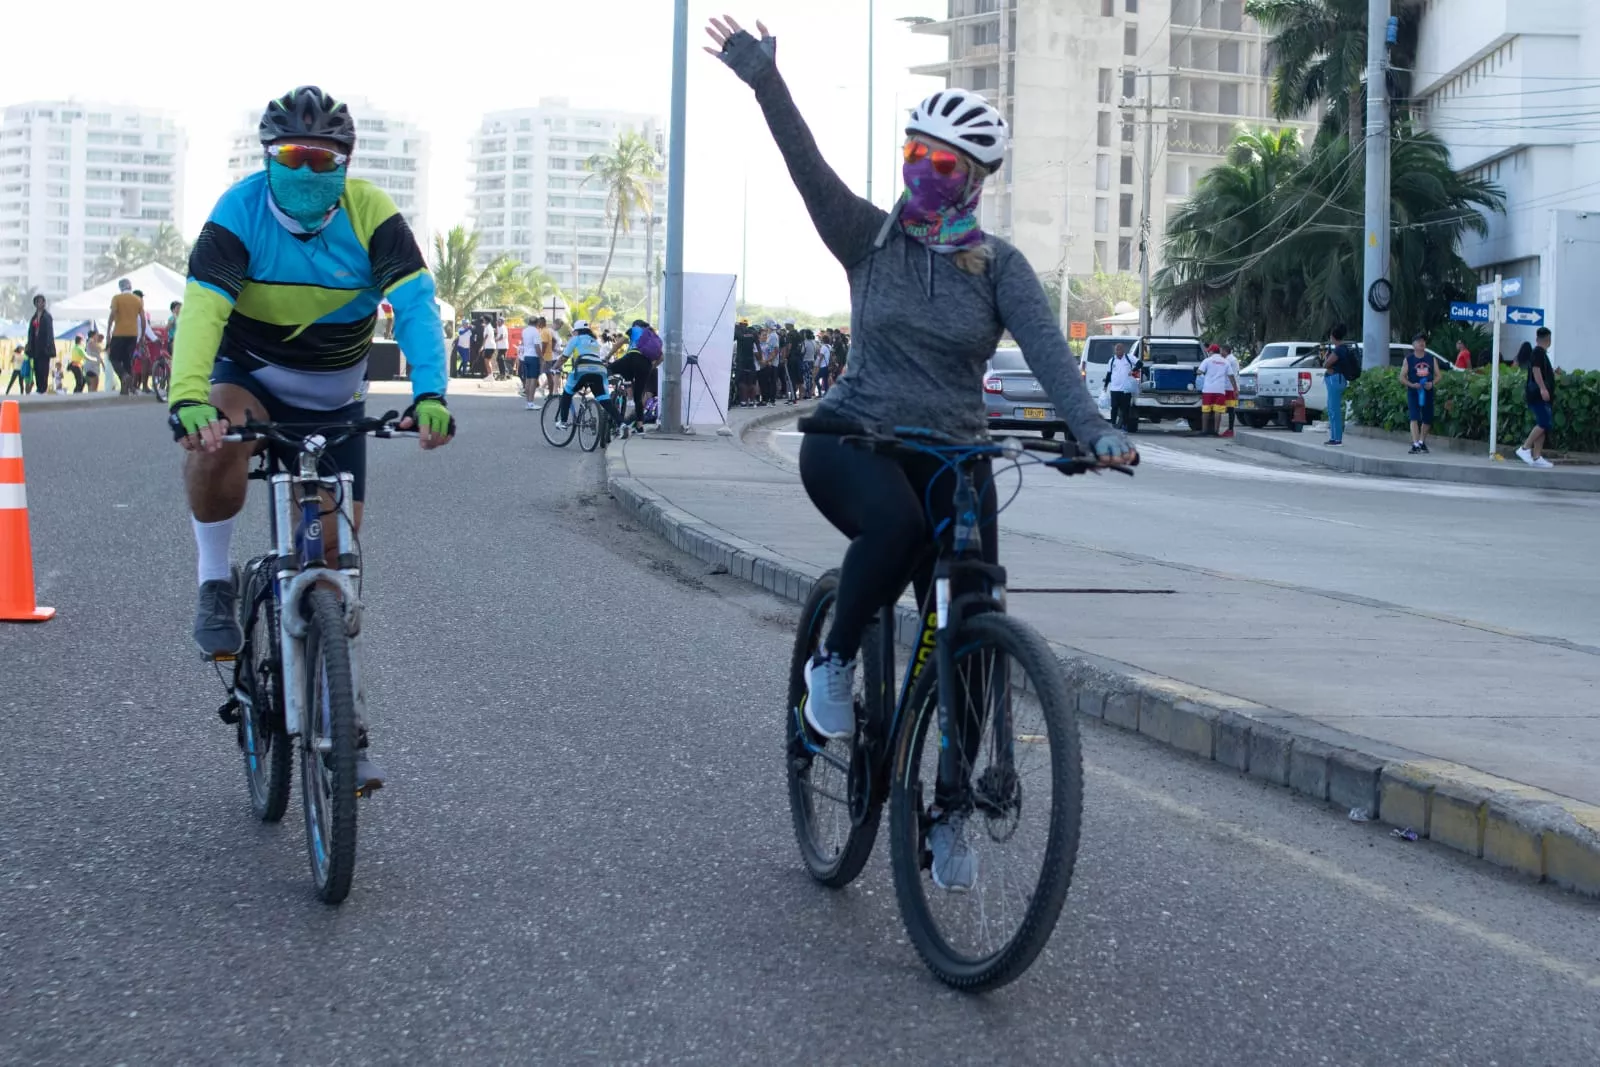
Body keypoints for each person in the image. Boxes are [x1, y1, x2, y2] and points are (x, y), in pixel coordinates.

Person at [707, 17, 1133, 891]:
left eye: (943, 166)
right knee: (896, 527)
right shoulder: (869, 239)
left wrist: (1092, 429)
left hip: (955, 455)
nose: (921, 174)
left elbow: (1052, 352)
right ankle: (832, 661)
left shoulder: (998, 267)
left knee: (973, 624)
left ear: (974, 183)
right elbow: (807, 168)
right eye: (914, 153)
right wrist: (766, 82)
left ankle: (947, 810)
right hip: (853, 441)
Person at [167, 85, 454, 793]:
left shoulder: (373, 216)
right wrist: (188, 397)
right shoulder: (237, 214)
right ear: (268, 158)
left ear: (344, 164)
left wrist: (431, 393)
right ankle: (213, 580)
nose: (305, 169)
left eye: (322, 158)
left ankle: (338, 716)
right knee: (213, 444)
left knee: (331, 564)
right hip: (251, 379)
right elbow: (203, 311)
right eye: (291, 156)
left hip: (334, 400)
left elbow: (415, 303)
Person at [553, 320, 617, 430]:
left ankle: (563, 421)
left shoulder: (576, 339)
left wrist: (553, 368)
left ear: (577, 331)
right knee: (604, 399)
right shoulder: (595, 341)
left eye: (574, 332)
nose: (573, 334)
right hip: (599, 370)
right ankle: (621, 423)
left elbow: (564, 358)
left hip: (583, 369)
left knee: (567, 393)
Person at [608, 318, 662, 431]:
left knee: (609, 369)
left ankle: (604, 393)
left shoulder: (634, 329)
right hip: (645, 364)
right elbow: (661, 357)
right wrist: (651, 367)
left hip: (632, 357)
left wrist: (607, 357)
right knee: (638, 397)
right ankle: (640, 426)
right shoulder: (652, 335)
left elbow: (618, 343)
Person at [1516, 327, 1556, 468]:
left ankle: (1537, 456)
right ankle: (1525, 448)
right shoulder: (1538, 353)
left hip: (1539, 394)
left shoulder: (1539, 353)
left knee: (1543, 424)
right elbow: (1536, 370)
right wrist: (1543, 389)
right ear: (1548, 339)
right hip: (1537, 395)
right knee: (1544, 422)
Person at [106, 279, 144, 396]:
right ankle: (125, 389)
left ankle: (124, 375)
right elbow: (142, 318)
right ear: (130, 286)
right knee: (127, 360)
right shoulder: (137, 299)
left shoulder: (117, 298)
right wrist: (142, 336)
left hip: (119, 333)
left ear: (120, 287)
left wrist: (108, 330)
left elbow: (113, 313)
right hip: (133, 334)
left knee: (113, 358)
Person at [1321, 323, 1356, 446]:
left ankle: (1337, 439)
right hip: (1338, 380)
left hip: (1335, 380)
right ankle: (1334, 437)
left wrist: (1326, 357)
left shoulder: (1338, 350)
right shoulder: (1343, 349)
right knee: (1332, 409)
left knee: (1333, 409)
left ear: (1332, 337)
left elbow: (1326, 364)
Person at [1400, 331, 1435, 454]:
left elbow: (1439, 375)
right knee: (1414, 416)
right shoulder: (1409, 359)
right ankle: (1415, 444)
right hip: (1414, 391)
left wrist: (1432, 383)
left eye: (1423, 341)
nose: (1422, 343)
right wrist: (1412, 385)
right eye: (1419, 341)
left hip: (1428, 391)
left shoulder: (1430, 358)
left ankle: (1421, 442)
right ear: (1413, 344)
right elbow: (1402, 377)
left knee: (1427, 418)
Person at [1103, 340, 1139, 433]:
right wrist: (1106, 385)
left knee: (1125, 409)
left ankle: (1125, 426)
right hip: (1114, 389)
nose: (1118, 351)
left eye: (1119, 349)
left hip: (1125, 389)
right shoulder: (1112, 360)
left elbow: (1140, 364)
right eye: (1116, 350)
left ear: (1123, 350)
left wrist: (1133, 370)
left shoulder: (1129, 358)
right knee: (1114, 407)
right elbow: (1109, 373)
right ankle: (1113, 425)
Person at [1197, 344, 1231, 437]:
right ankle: (1216, 431)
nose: (1208, 352)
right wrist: (1235, 388)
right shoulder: (1225, 362)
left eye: (1209, 351)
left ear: (1212, 351)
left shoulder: (1207, 360)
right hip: (1220, 389)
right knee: (1218, 411)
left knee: (1206, 410)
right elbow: (1231, 375)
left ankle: (1204, 431)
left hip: (1208, 389)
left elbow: (1199, 372)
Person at [26, 294, 53, 394]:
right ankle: (39, 388)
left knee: (43, 368)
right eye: (38, 302)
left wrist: (48, 345)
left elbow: (50, 332)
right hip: (35, 348)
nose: (40, 304)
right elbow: (30, 332)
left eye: (41, 301)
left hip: (44, 348)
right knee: (36, 368)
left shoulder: (47, 316)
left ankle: (43, 388)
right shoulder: (34, 317)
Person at [519, 319, 543, 409]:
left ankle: (528, 402)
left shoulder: (524, 331)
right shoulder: (536, 332)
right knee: (533, 380)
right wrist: (541, 358)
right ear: (537, 323)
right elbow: (537, 346)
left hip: (526, 356)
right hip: (534, 357)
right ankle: (531, 402)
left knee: (528, 379)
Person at [734, 320, 759, 406]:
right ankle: (752, 401)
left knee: (742, 382)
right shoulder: (753, 333)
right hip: (750, 360)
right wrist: (761, 359)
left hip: (741, 360)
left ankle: (743, 401)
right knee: (751, 382)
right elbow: (758, 346)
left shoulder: (738, 333)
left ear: (740, 325)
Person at [1221, 343, 1240, 437]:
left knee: (1230, 408)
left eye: (1222, 351)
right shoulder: (1233, 359)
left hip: (1229, 387)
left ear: (1225, 351)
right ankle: (1230, 429)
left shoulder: (1228, 360)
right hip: (1231, 387)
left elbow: (1229, 374)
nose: (1220, 353)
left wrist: (1235, 388)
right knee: (1230, 408)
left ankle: (1230, 429)